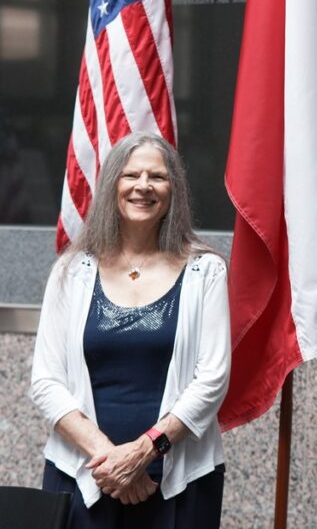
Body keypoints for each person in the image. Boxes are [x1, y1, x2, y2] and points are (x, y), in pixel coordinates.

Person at [31, 132, 230, 528]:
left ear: (174, 190)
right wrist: (110, 458)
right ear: (112, 186)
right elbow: (45, 382)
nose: (143, 186)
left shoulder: (205, 270)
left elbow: (212, 379)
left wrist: (143, 452)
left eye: (157, 176)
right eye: (131, 175)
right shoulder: (72, 271)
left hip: (178, 479)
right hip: (84, 472)